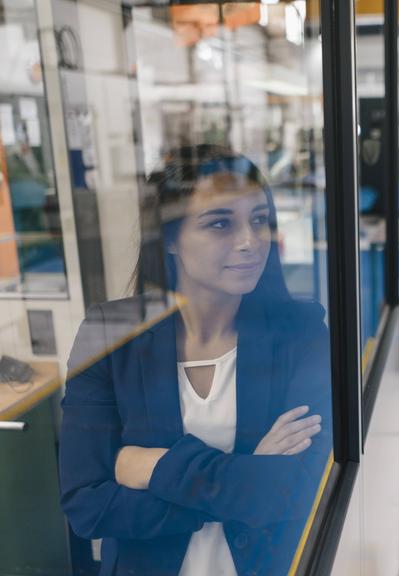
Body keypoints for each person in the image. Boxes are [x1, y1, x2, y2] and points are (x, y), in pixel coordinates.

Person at [58, 145, 332, 576]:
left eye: (259, 220)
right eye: (220, 223)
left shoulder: (302, 334)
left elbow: (299, 491)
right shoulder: (111, 336)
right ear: (169, 238)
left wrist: (154, 466)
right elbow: (88, 506)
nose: (250, 241)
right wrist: (244, 479)